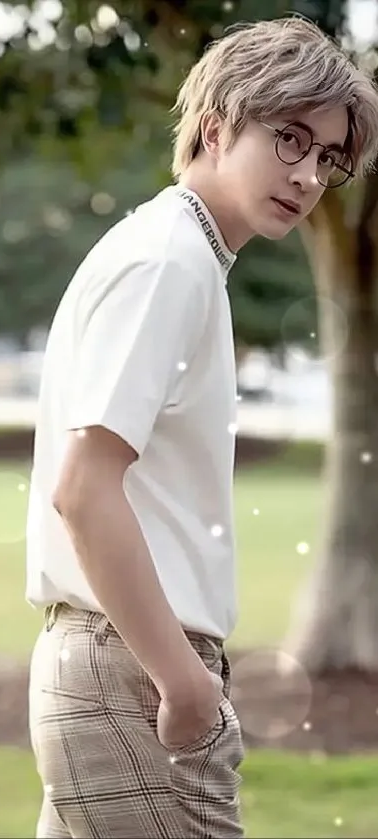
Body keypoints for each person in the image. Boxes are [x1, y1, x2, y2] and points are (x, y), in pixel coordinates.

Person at [26, 14, 378, 839]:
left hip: (111, 667)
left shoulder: (176, 256)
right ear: (216, 128)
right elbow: (82, 489)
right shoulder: (167, 263)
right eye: (288, 138)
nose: (306, 174)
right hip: (129, 673)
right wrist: (182, 683)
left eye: (326, 157)